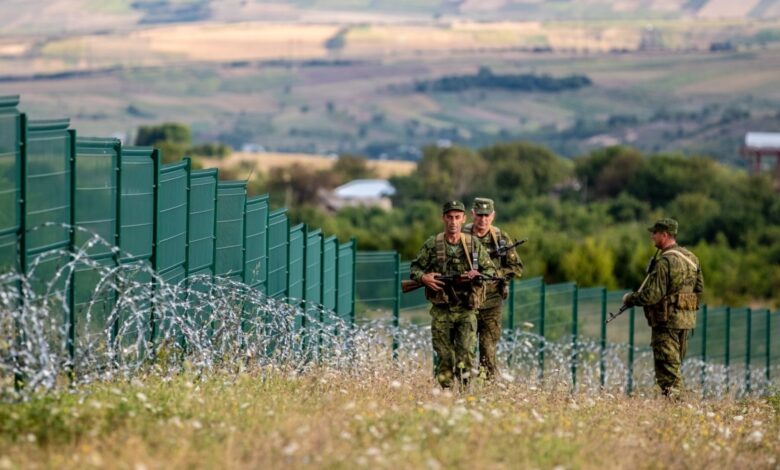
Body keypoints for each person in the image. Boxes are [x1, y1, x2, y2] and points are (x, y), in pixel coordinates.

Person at [410, 200, 497, 389]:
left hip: (466, 309)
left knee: (465, 354)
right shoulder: (433, 244)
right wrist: (424, 277)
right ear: (443, 218)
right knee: (445, 356)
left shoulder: (473, 245)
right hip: (442, 310)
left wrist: (477, 275)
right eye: (449, 217)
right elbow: (415, 269)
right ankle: (446, 393)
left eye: (458, 217)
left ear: (464, 219)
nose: (453, 222)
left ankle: (466, 392)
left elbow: (491, 271)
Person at [622, 218, 704, 399]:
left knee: (668, 375)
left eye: (655, 233)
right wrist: (683, 307)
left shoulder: (665, 262)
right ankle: (677, 410)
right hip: (685, 323)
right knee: (674, 368)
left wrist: (630, 299)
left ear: (665, 235)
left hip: (666, 324)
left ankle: (681, 411)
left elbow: (652, 295)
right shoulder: (692, 258)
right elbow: (699, 291)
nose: (652, 236)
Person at [463, 197, 523, 380]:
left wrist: (495, 273)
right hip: (465, 302)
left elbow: (516, 267)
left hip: (491, 304)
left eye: (486, 215)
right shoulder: (462, 236)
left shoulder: (500, 238)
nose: (483, 220)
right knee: (464, 350)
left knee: (488, 353)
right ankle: (462, 391)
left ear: (493, 216)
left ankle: (488, 391)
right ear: (472, 214)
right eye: (479, 215)